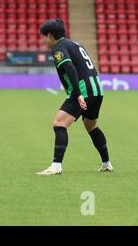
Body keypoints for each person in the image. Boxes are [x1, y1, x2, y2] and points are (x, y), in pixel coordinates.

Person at [36, 19, 112, 175]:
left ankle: (56, 166)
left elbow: (70, 67)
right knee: (91, 126)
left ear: (51, 35)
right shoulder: (76, 44)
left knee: (59, 124)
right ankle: (106, 163)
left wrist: (77, 94)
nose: (44, 40)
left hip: (83, 91)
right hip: (97, 89)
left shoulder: (58, 47)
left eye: (45, 36)